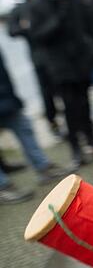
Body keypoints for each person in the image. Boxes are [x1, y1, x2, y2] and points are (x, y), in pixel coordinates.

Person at [28, 0, 93, 168]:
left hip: (80, 60)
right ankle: (76, 148)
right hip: (60, 65)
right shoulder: (39, 5)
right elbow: (39, 35)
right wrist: (58, 16)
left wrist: (92, 47)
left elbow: (87, 24)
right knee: (70, 107)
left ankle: (91, 140)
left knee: (84, 102)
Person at [0, 48, 69, 205]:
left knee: (24, 128)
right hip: (5, 97)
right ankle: (3, 187)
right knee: (23, 127)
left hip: (6, 97)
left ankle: (43, 167)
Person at [7, 0, 62, 136]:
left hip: (57, 53)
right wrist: (26, 28)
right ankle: (53, 121)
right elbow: (13, 30)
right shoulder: (22, 7)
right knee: (47, 92)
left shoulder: (49, 0)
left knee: (64, 89)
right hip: (39, 56)